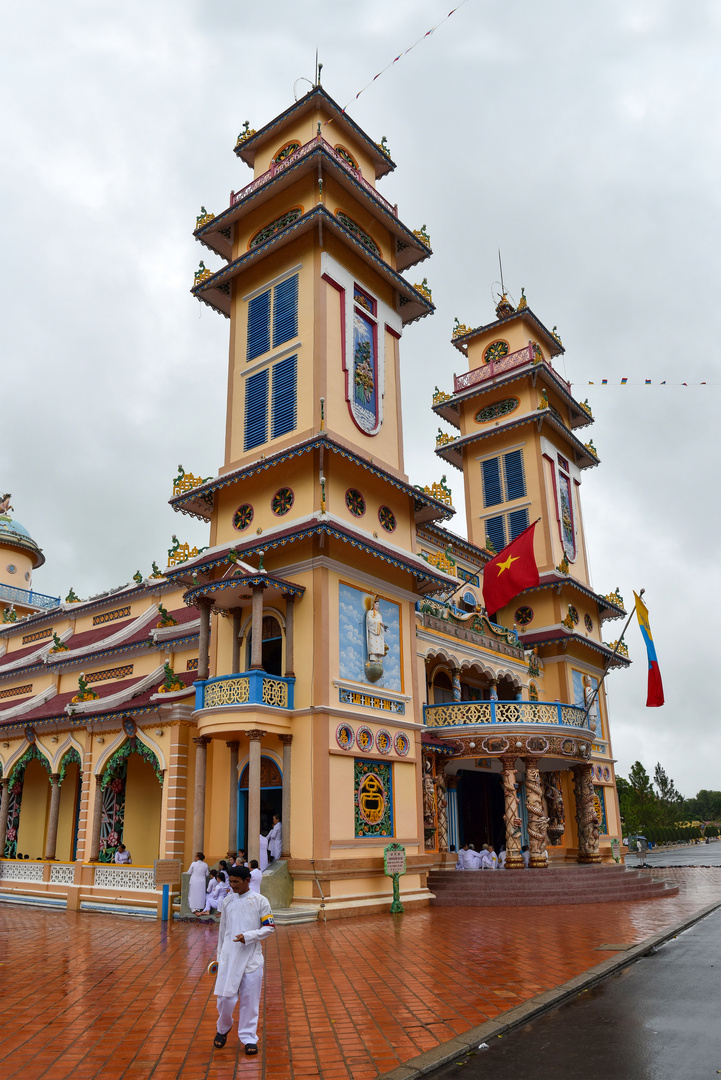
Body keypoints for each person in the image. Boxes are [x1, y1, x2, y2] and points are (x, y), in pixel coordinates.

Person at [213, 865, 275, 1056]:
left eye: (236, 882)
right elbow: (223, 931)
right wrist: (219, 957)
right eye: (230, 882)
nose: (232, 886)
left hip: (251, 959)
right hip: (229, 957)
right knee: (225, 999)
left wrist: (248, 936)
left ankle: (248, 1037)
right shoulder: (228, 901)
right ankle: (223, 1028)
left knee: (249, 1000)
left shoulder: (260, 901)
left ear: (247, 881)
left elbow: (269, 927)